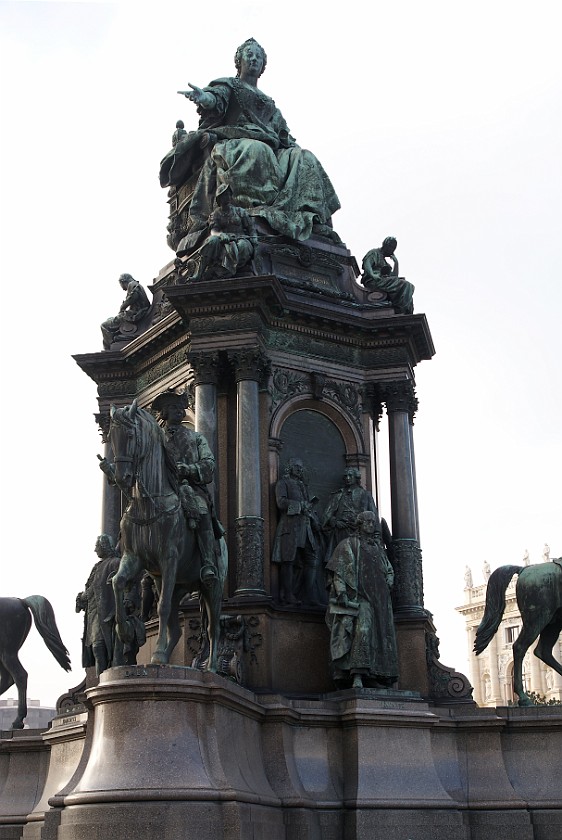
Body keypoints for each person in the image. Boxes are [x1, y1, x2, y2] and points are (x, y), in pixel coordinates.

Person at [159, 38, 341, 247]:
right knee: (257, 151)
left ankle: (311, 218)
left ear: (263, 66)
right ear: (239, 61)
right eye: (249, 55)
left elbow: (282, 133)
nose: (254, 59)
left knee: (305, 157)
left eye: (258, 57)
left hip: (271, 145)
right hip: (235, 140)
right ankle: (253, 213)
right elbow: (215, 101)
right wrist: (204, 98)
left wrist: (290, 146)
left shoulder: (268, 100)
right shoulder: (229, 86)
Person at [151, 390, 224, 584]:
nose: (178, 411)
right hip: (159, 491)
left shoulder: (196, 438)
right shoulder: (154, 440)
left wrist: (190, 469)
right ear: (164, 413)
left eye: (180, 407)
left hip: (189, 488)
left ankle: (208, 562)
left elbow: (209, 464)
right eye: (172, 407)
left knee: (201, 510)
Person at [326, 510, 398, 689]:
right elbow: (339, 571)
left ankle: (376, 675)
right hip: (359, 597)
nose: (371, 525)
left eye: (373, 522)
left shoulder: (377, 548)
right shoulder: (348, 545)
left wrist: (389, 579)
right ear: (359, 524)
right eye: (367, 522)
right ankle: (357, 674)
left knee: (380, 635)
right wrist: (341, 592)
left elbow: (388, 568)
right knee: (362, 631)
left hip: (380, 599)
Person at [272, 458, 321, 606]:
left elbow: (307, 507)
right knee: (288, 560)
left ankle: (310, 595)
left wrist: (314, 519)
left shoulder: (302, 486)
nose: (299, 470)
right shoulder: (283, 483)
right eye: (296, 467)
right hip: (290, 527)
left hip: (305, 527)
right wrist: (300, 506)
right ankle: (287, 594)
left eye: (300, 468)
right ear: (289, 468)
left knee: (312, 559)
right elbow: (281, 503)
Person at [76, 534, 121, 676]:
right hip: (94, 613)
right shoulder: (97, 566)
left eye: (97, 546)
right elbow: (91, 587)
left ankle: (103, 679)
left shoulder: (115, 563)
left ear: (104, 547)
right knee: (96, 647)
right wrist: (82, 598)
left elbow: (125, 584)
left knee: (99, 646)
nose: (95, 550)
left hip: (107, 612)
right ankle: (100, 678)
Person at [321, 467, 377, 562]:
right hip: (340, 532)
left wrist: (376, 537)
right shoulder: (338, 495)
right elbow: (327, 515)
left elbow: (373, 516)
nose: (347, 478)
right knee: (340, 561)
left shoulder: (365, 495)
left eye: (350, 475)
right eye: (345, 476)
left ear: (356, 477)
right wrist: (335, 522)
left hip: (359, 533)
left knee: (357, 561)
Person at [361, 236, 414, 315]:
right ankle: (400, 309)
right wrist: (372, 275)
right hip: (375, 280)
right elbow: (367, 264)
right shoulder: (374, 252)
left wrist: (396, 263)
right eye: (391, 247)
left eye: (393, 248)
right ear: (385, 245)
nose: (392, 249)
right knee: (405, 285)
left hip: (384, 281)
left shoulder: (386, 263)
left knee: (409, 286)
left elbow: (394, 276)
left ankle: (404, 310)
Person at [100, 273, 151, 350]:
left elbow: (133, 297)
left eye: (120, 284)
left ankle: (111, 345)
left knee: (104, 325)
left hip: (135, 315)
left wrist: (122, 307)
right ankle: (113, 341)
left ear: (122, 281)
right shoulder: (135, 284)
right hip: (134, 314)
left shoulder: (132, 284)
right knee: (110, 320)